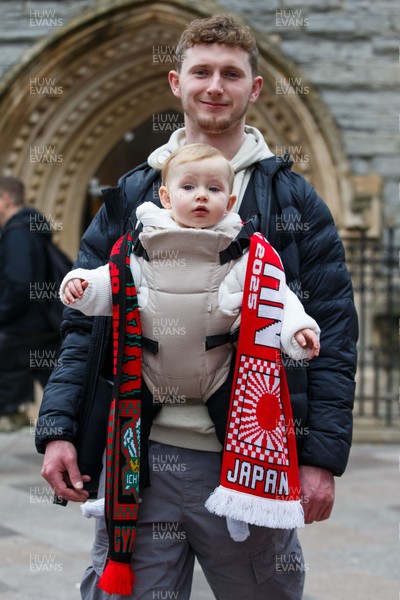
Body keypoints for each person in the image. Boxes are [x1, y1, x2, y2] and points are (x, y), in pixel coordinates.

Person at [37, 14, 358, 600]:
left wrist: (322, 458)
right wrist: (58, 428)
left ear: (254, 89)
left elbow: (331, 327)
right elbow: (84, 324)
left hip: (252, 460)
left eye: (231, 73)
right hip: (139, 454)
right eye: (201, 71)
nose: (215, 85)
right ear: (175, 83)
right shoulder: (134, 193)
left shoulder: (292, 199)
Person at [59, 143, 320, 543]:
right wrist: (80, 285)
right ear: (165, 196)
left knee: (238, 431)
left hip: (217, 374)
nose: (201, 195)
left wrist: (297, 330)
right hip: (150, 373)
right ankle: (111, 495)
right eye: (189, 187)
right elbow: (113, 282)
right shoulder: (142, 245)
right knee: (128, 431)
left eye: (214, 189)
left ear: (230, 201)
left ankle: (239, 501)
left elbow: (278, 296)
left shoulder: (246, 252)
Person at [0, 176, 61, 430]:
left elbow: (19, 283)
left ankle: (12, 411)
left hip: (25, 326)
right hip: (41, 323)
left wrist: (2, 313)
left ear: (4, 199)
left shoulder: (18, 233)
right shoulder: (29, 227)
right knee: (57, 385)